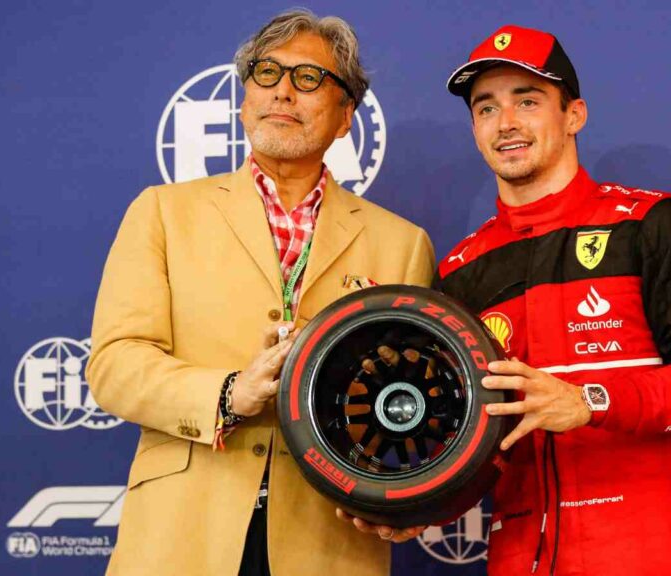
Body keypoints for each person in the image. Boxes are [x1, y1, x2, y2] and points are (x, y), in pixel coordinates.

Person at [86, 9, 434, 576]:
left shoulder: (402, 243)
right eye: (266, 74)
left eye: (308, 79)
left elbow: (411, 404)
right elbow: (114, 365)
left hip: (330, 537)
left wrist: (407, 497)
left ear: (346, 116)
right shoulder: (164, 213)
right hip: (184, 533)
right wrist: (228, 393)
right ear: (244, 100)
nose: (282, 94)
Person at [434, 25, 671, 575]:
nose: (505, 123)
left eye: (527, 101)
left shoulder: (652, 222)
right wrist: (415, 506)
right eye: (486, 108)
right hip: (515, 558)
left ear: (574, 114)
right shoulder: (461, 267)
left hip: (639, 553)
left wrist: (590, 400)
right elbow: (474, 447)